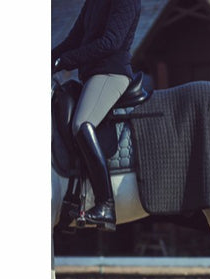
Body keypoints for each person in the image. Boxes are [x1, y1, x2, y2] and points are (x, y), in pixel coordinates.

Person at [52, 0, 141, 231]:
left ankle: (106, 204)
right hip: (91, 76)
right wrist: (51, 58)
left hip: (111, 73)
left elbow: (110, 42)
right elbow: (73, 40)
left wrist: (64, 61)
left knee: (81, 123)